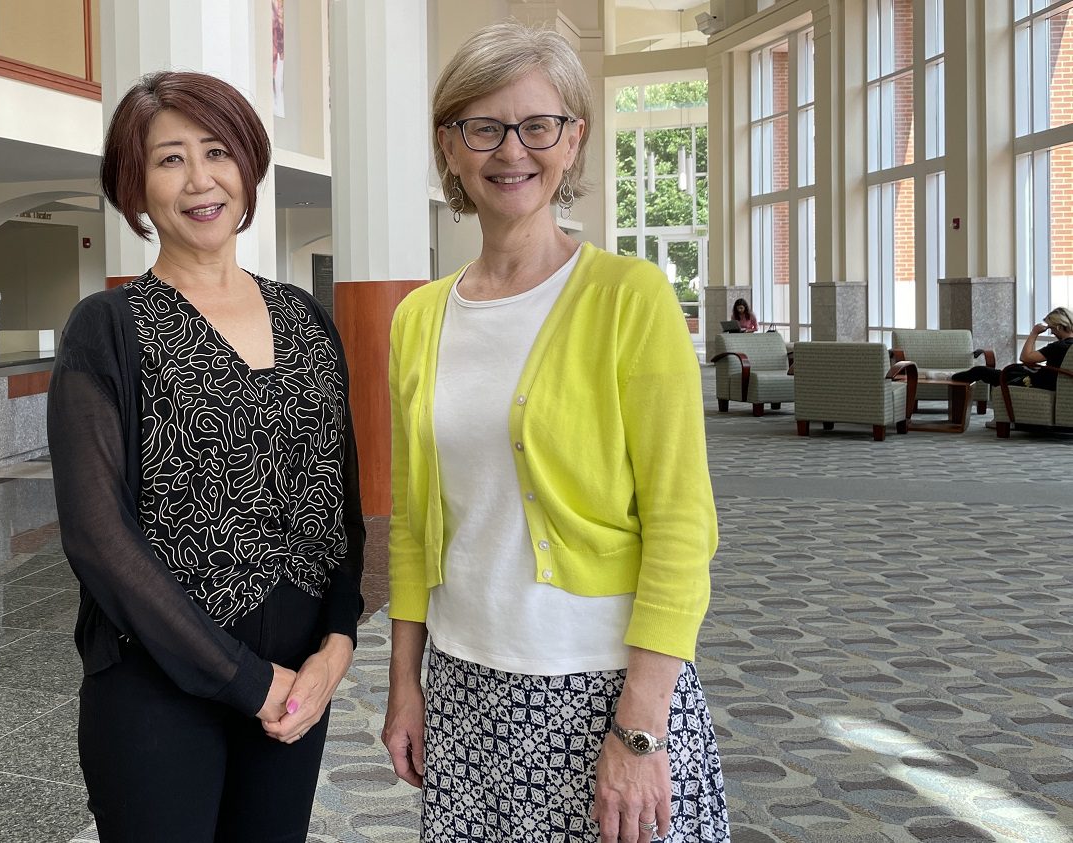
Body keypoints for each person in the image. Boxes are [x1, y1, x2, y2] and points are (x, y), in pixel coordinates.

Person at [381, 22, 730, 843]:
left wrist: (640, 727)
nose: (513, 151)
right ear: (450, 145)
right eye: (483, 126)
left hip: (604, 688)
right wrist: (406, 684)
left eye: (538, 125)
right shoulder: (416, 319)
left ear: (572, 141)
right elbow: (411, 525)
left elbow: (682, 525)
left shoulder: (630, 297)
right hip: (464, 686)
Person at [47, 70, 364, 843]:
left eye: (218, 151)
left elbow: (340, 498)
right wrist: (245, 680)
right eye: (169, 159)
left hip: (298, 683)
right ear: (136, 186)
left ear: (248, 164)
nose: (200, 180)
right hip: (159, 686)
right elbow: (97, 536)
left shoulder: (305, 317)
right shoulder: (108, 327)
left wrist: (339, 642)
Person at [952, 307, 1073, 390]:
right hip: (1056, 382)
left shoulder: (1059, 347)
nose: (1051, 333)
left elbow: (1025, 358)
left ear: (1058, 327)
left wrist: (1034, 333)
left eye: (1051, 329)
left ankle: (949, 378)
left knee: (980, 371)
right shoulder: (1068, 345)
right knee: (1004, 372)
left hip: (1038, 382)